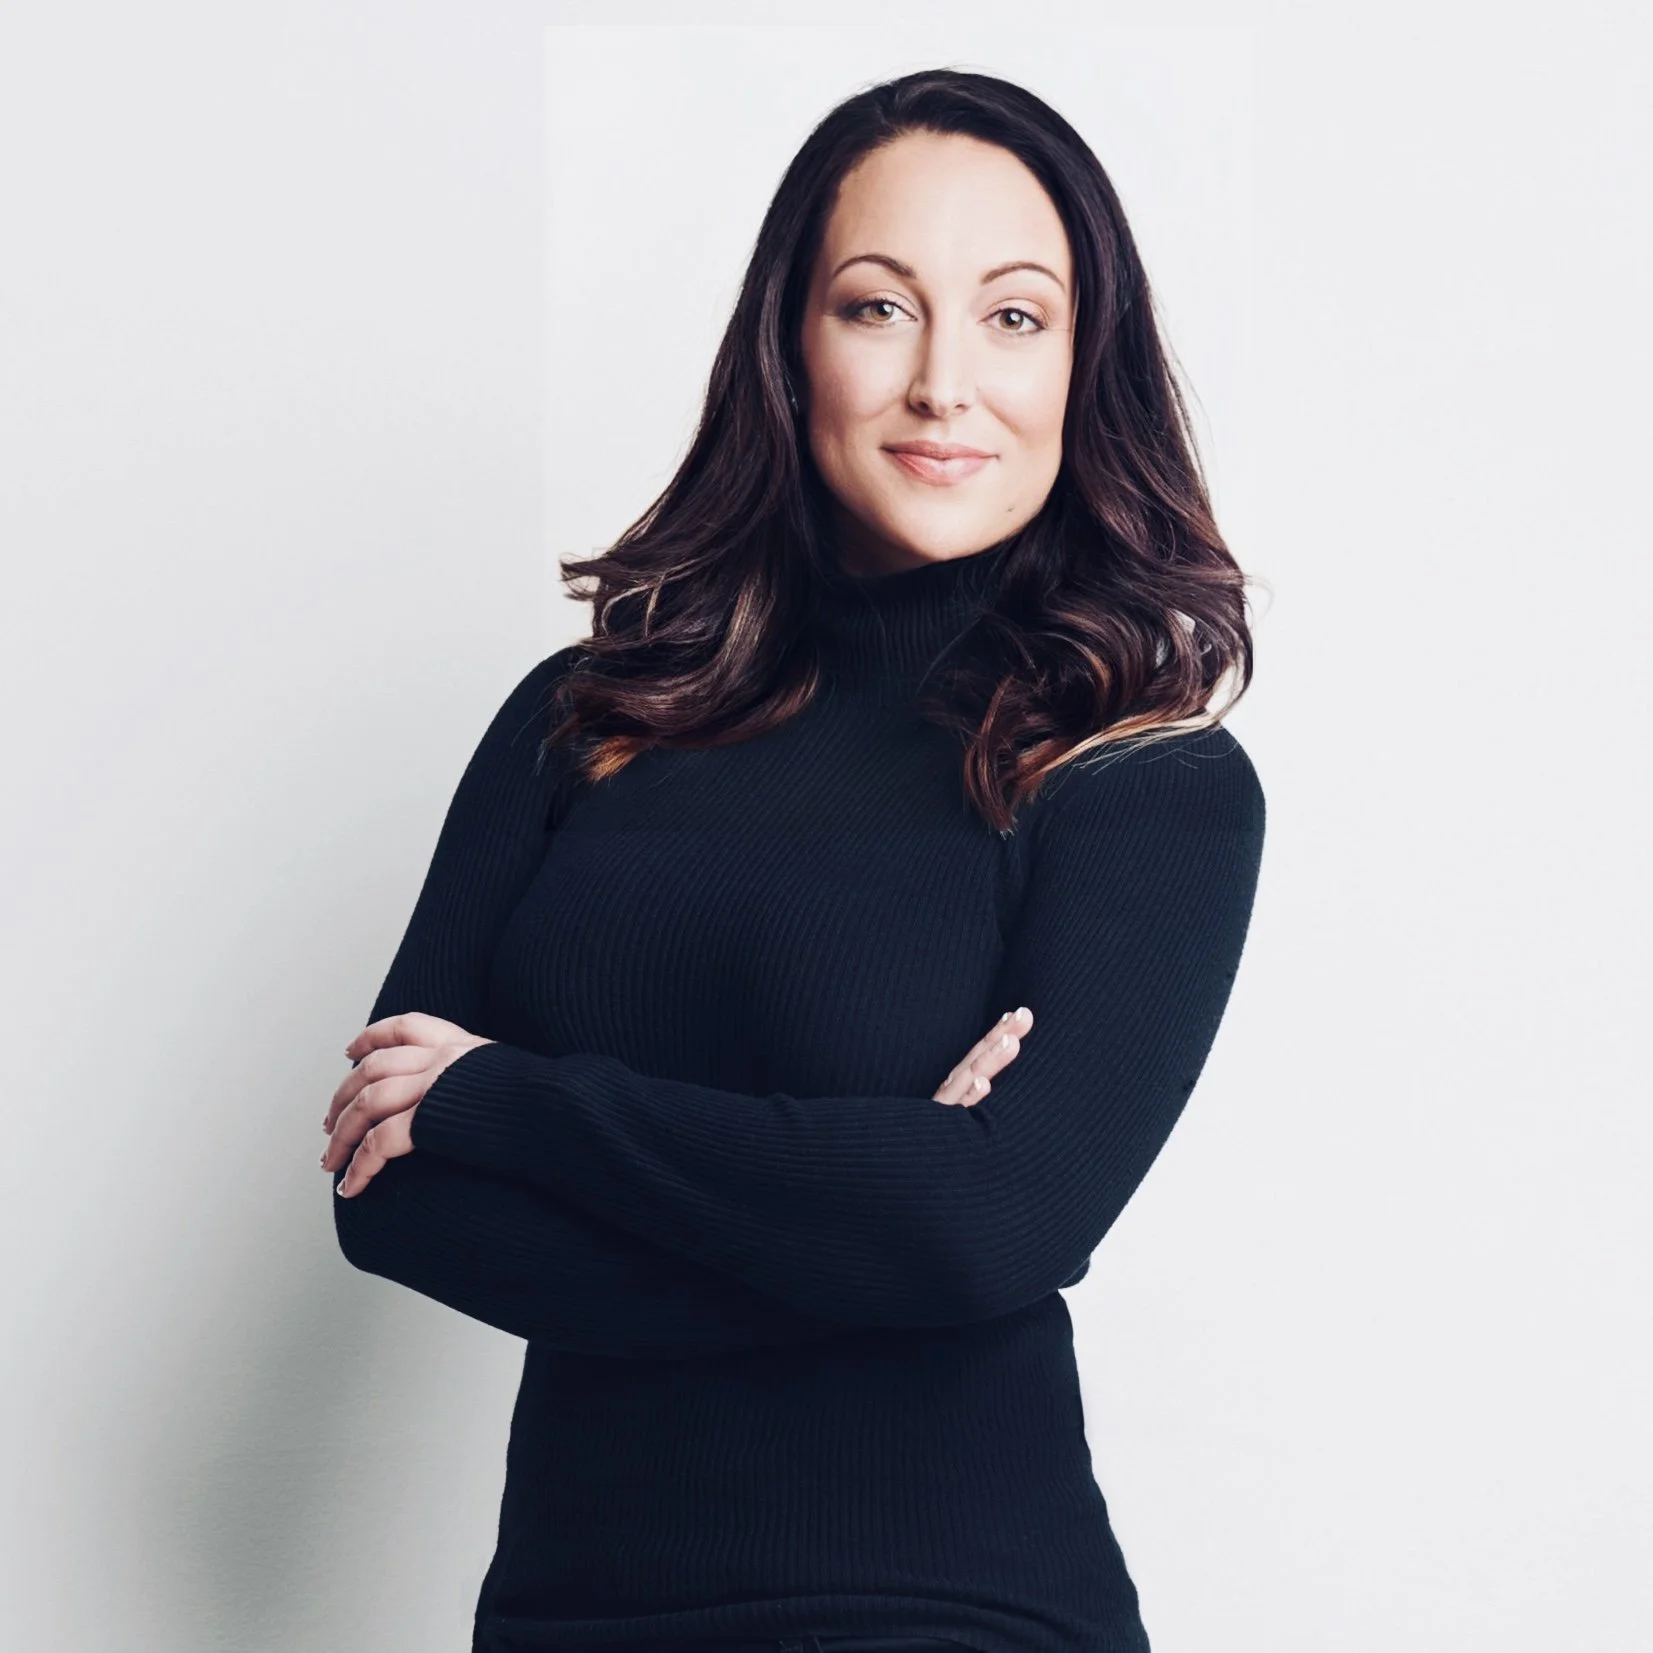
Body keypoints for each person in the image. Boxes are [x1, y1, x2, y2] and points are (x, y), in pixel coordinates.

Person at [322, 67, 1266, 1653]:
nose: (945, 385)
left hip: (942, 1607)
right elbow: (389, 1194)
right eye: (880, 307)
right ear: (792, 342)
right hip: (568, 1609)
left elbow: (999, 1224)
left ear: (1085, 368)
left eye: (1016, 318)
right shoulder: (586, 720)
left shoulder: (1142, 778)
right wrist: (875, 1201)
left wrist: (512, 1100)